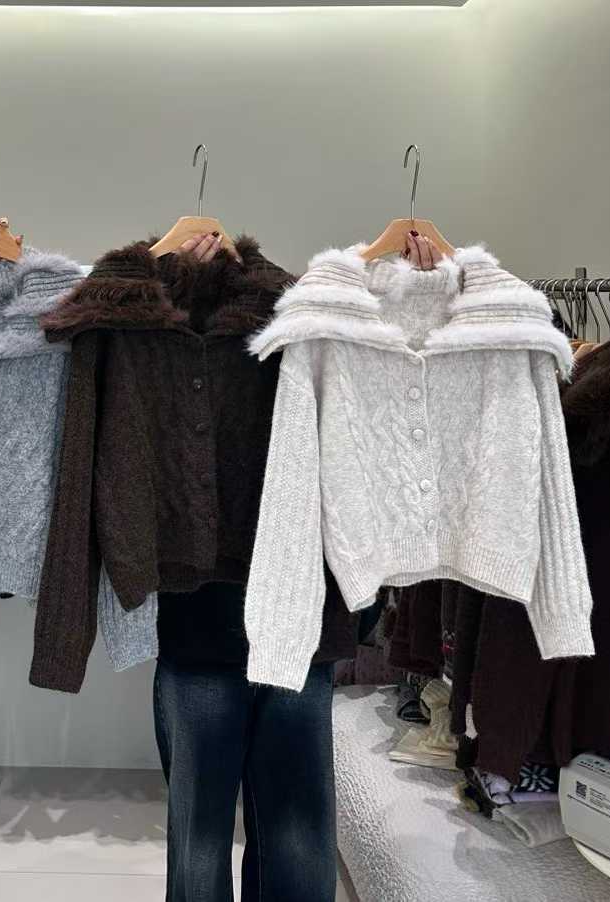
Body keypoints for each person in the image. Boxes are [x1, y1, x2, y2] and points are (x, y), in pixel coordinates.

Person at [154, 230, 442, 902]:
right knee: (282, 836)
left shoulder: (306, 319)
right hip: (273, 623)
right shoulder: (165, 330)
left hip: (234, 623)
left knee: (220, 840)